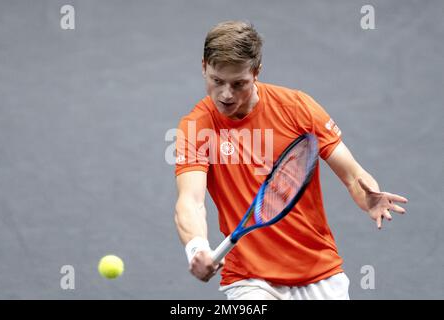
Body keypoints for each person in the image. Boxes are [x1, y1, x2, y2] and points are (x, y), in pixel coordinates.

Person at [174, 21, 408, 300]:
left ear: (256, 72)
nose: (226, 94)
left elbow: (352, 174)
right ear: (204, 67)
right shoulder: (196, 127)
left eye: (239, 84)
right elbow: (190, 201)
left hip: (320, 271)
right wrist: (196, 247)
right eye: (217, 81)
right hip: (249, 279)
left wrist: (366, 193)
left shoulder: (297, 109)